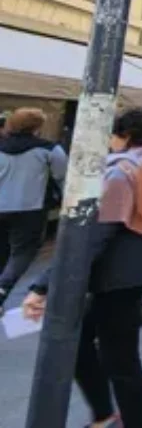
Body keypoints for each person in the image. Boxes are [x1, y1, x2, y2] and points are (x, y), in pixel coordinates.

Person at [22, 108, 142, 428]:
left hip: (117, 275)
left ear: (126, 136)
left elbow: (95, 235)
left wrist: (43, 284)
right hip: (139, 269)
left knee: (120, 360)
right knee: (89, 342)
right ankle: (105, 413)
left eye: (114, 134)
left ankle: (124, 419)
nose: (110, 141)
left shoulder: (123, 171)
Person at [0, 108, 67, 306]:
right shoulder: (49, 150)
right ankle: (3, 288)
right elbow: (61, 176)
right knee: (23, 252)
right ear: (37, 127)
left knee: (2, 247)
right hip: (30, 208)